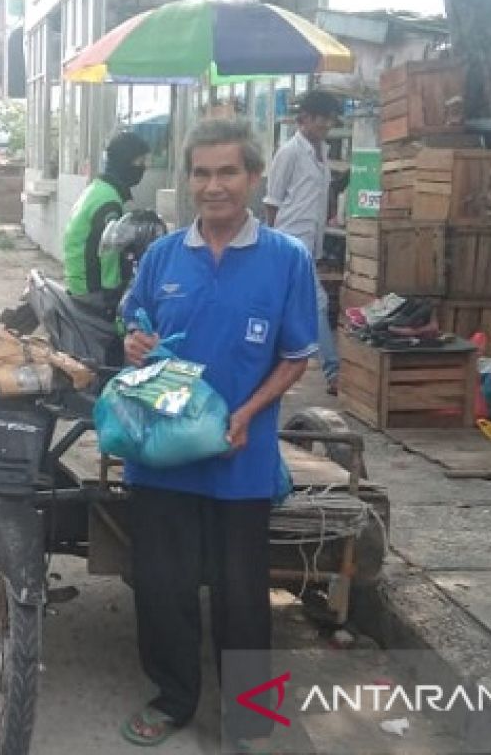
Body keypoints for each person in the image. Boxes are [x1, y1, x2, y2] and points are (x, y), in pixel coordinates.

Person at [119, 118, 318, 751]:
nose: (214, 186)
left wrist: (247, 412)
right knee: (161, 585)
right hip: (163, 454)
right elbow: (134, 322)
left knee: (241, 596)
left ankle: (250, 716)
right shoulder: (162, 255)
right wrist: (134, 342)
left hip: (240, 453)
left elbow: (295, 357)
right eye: (201, 172)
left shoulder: (286, 259)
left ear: (254, 176)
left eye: (227, 171)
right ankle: (173, 698)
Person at [263, 89, 342, 395]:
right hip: (288, 240)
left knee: (282, 306)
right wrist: (272, 245)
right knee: (318, 303)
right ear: (304, 119)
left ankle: (268, 365)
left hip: (310, 242)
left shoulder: (322, 152)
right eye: (320, 118)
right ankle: (333, 370)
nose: (325, 124)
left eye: (329, 119)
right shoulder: (289, 153)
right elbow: (272, 201)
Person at [63, 131, 152, 311]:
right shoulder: (109, 202)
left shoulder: (97, 189)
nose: (144, 168)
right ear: (125, 162)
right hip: (92, 292)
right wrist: (113, 296)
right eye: (140, 162)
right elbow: (109, 251)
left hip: (76, 283)